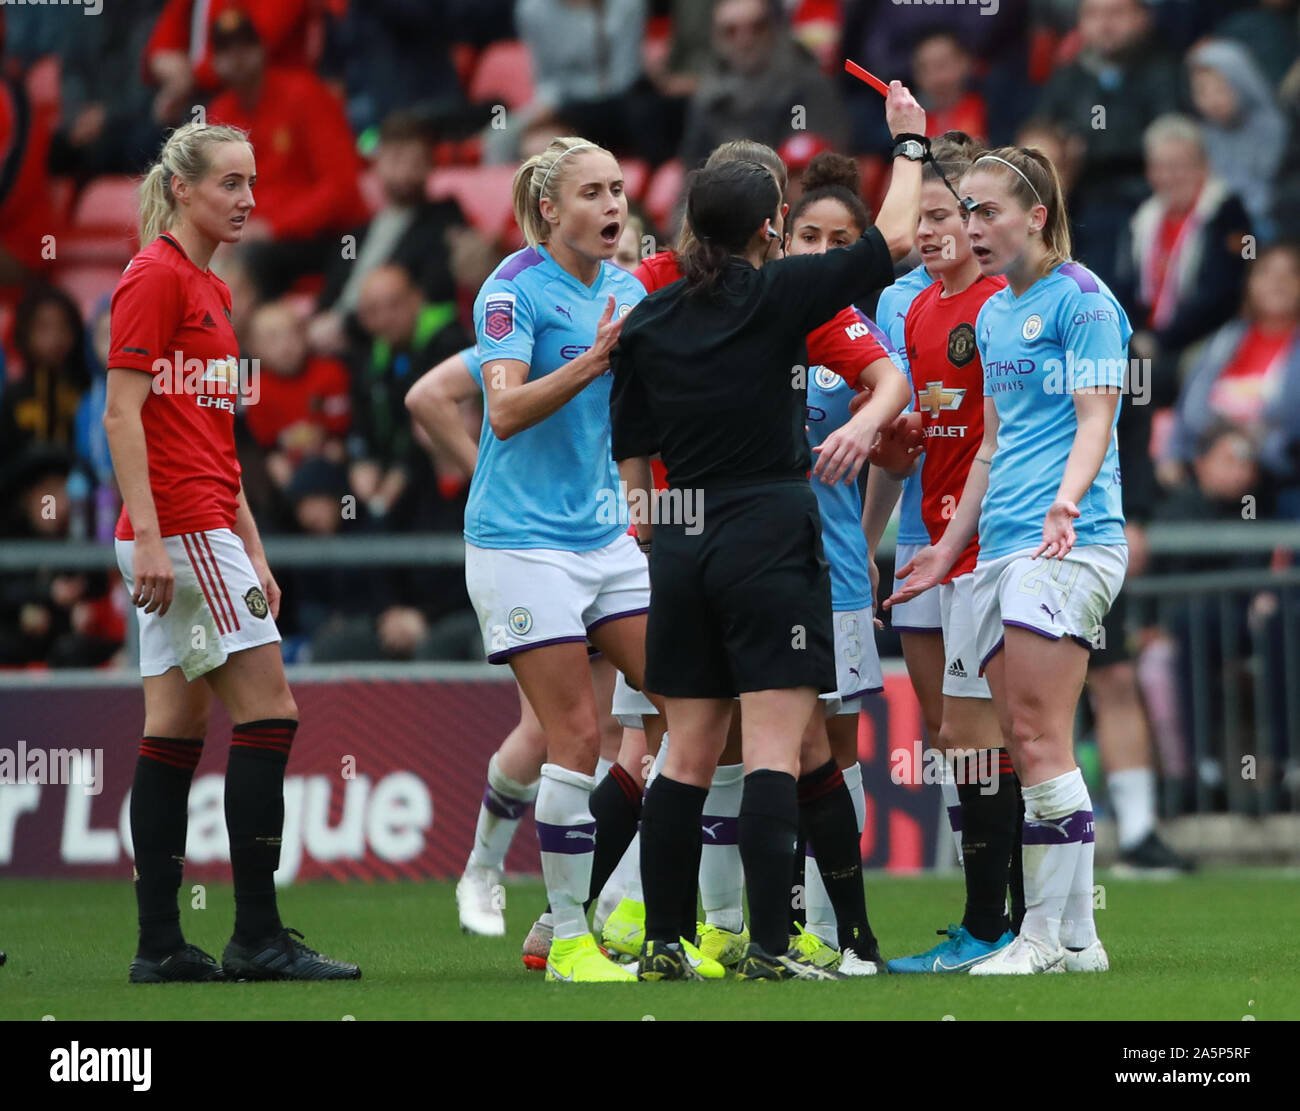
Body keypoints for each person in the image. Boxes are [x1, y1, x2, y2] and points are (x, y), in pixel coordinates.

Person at [611, 81, 925, 981]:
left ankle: (662, 943)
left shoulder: (648, 318)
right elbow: (894, 239)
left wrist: (656, 530)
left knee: (685, 754)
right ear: (771, 227)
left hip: (682, 540)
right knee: (778, 752)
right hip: (769, 530)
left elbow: (632, 458)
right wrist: (908, 143)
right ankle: (772, 947)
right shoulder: (781, 294)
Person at [103, 121, 359, 982]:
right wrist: (149, 534)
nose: (249, 198)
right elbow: (121, 413)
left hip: (201, 528)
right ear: (182, 188)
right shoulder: (156, 276)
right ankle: (257, 935)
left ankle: (159, 945)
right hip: (179, 530)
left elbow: (215, 437)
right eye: (230, 183)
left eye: (252, 182)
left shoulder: (210, 287)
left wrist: (254, 546)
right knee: (270, 713)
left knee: (174, 729)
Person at [886, 144, 1131, 975]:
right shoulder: (995, 314)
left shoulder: (1084, 300)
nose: (974, 228)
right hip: (997, 546)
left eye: (988, 212)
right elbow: (991, 446)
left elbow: (1096, 417)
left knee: (1034, 734)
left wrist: (1068, 499)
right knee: (1024, 744)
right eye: (969, 212)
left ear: (1037, 216)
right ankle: (1080, 940)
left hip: (1067, 541)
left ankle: (1040, 937)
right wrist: (947, 550)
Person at [466, 135, 663, 984]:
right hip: (520, 543)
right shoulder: (512, 289)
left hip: (605, 536)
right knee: (575, 733)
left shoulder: (629, 289)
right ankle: (569, 939)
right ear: (550, 209)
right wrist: (592, 361)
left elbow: (637, 414)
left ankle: (624, 903)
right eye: (593, 192)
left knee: (693, 704)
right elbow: (505, 412)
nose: (613, 204)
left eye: (619, 189)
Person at [404, 344, 634, 955]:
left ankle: (602, 905)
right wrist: (486, 474)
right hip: (540, 545)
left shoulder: (635, 321)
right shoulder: (527, 333)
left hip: (616, 539)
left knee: (625, 728)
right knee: (555, 733)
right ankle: (490, 871)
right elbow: (427, 395)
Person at [872, 133, 1026, 974]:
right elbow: (936, 432)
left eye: (948, 215)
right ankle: (1009, 919)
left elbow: (1008, 438)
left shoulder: (1002, 306)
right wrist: (904, 443)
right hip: (939, 543)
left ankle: (1008, 921)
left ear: (979, 223)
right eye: (925, 218)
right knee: (967, 737)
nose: (931, 231)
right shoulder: (919, 309)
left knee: (1003, 735)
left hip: (992, 547)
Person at [781, 152, 912, 976]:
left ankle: (832, 928)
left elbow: (897, 448)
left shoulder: (861, 337)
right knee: (729, 748)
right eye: (810, 237)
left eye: (841, 241)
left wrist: (867, 535)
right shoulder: (757, 313)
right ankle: (744, 923)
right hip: (744, 569)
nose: (824, 253)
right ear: (782, 237)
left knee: (833, 750)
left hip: (830, 569)